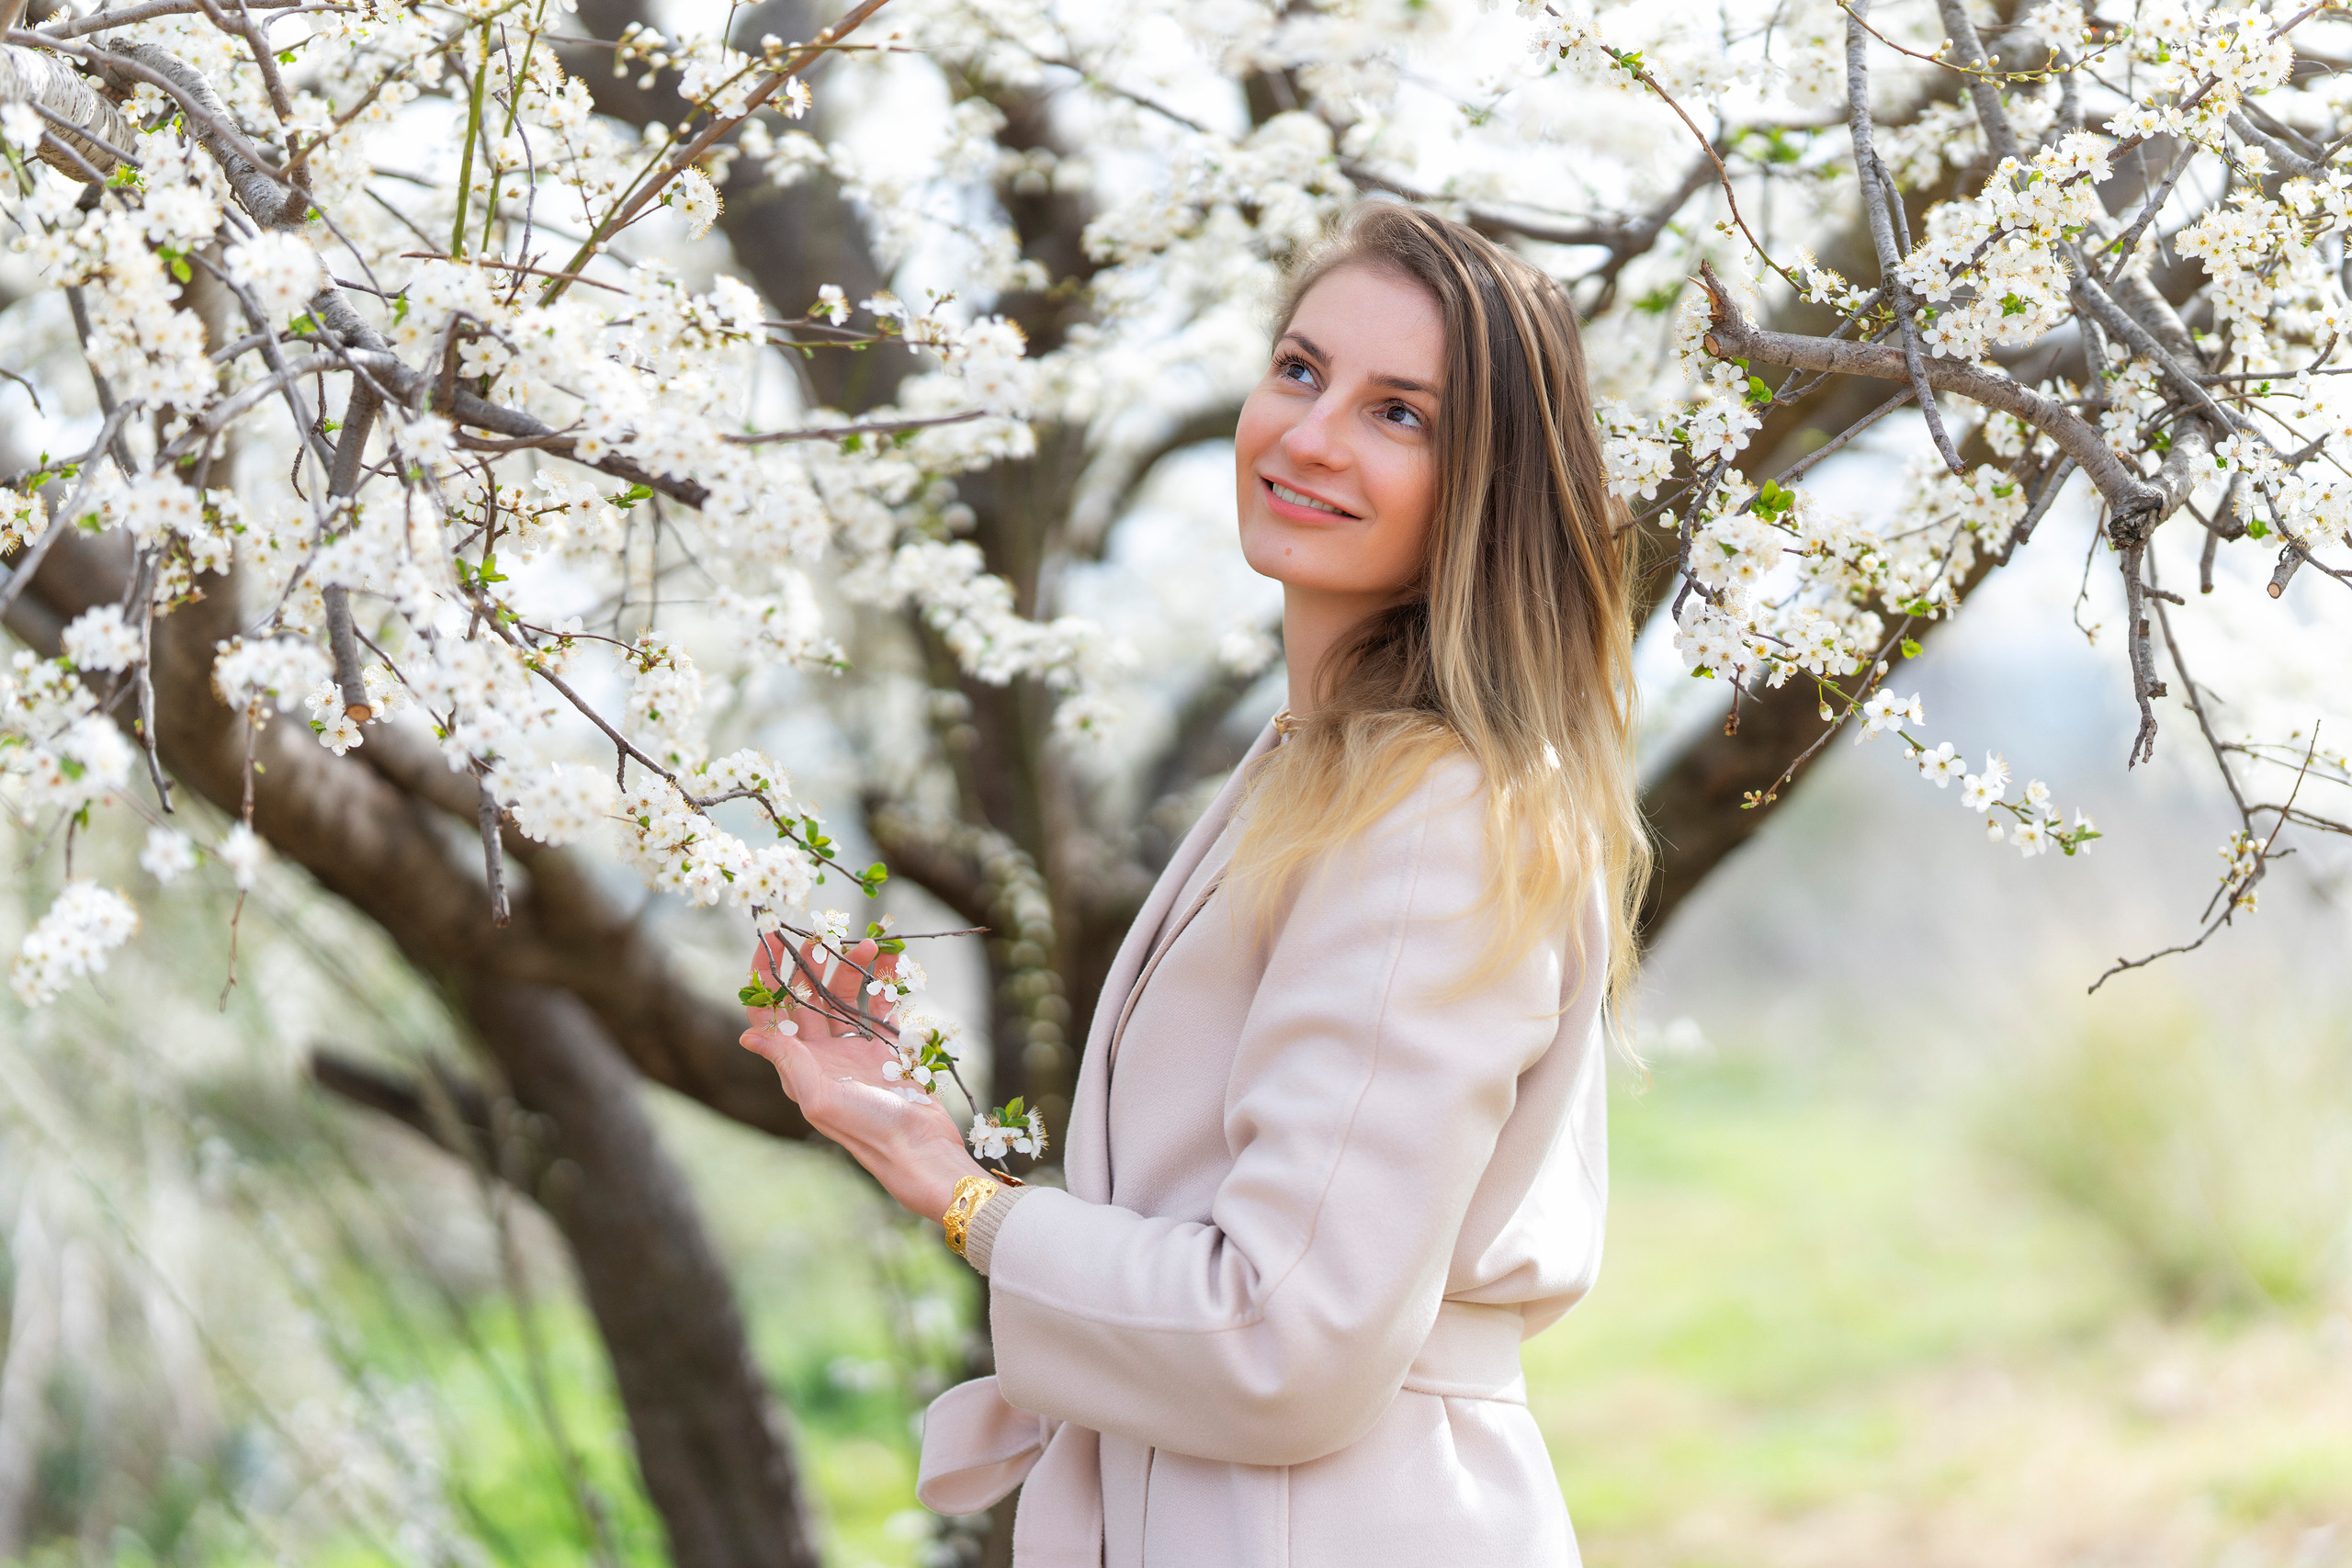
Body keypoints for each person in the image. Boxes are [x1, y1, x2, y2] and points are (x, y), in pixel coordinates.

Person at [740, 202, 1648, 1567]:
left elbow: (1282, 1335)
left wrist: (966, 1200)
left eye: (1402, 414)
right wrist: (918, 1138)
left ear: (1488, 488)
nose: (1312, 434)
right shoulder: (1318, 771)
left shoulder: (1433, 815)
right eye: (1300, 369)